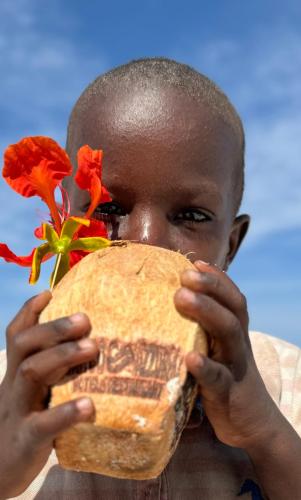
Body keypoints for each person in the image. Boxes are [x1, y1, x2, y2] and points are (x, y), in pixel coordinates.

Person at [0, 58, 301, 500]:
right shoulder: (12, 391)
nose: (146, 243)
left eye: (192, 215)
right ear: (62, 219)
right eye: (106, 209)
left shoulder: (287, 382)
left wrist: (267, 436)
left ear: (231, 246)